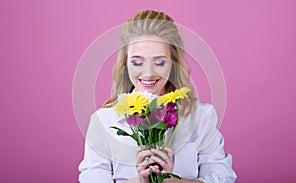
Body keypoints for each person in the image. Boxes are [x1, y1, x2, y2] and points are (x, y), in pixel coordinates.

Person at [78, 10, 237, 183]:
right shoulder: (103, 121)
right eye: (137, 62)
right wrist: (139, 181)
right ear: (125, 64)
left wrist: (171, 181)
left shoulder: (202, 117)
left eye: (160, 62)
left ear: (173, 63)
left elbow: (223, 178)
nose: (148, 73)